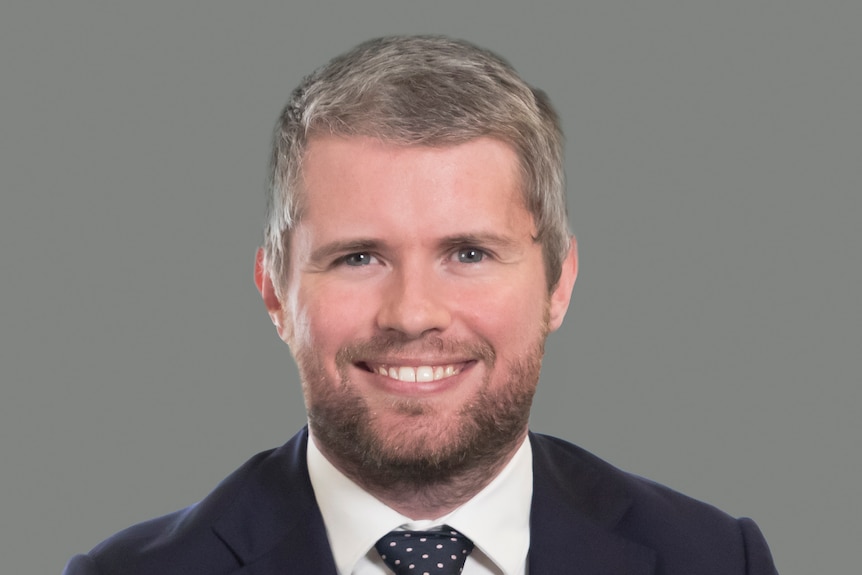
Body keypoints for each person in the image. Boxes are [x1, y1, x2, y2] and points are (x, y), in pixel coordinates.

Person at [63, 35, 778, 575]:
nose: (412, 313)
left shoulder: (716, 558)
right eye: (358, 257)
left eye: (468, 253)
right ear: (275, 293)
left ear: (559, 283)